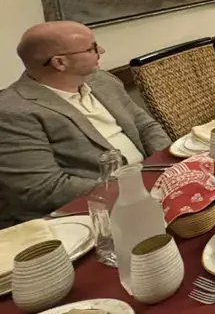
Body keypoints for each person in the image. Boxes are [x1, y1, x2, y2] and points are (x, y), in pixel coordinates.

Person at [0, 22, 171, 225]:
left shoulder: (102, 80)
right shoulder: (12, 111)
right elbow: (43, 188)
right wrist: (132, 190)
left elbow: (145, 126)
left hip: (151, 182)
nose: (101, 51)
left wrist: (172, 167)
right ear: (60, 62)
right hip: (92, 213)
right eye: (92, 48)